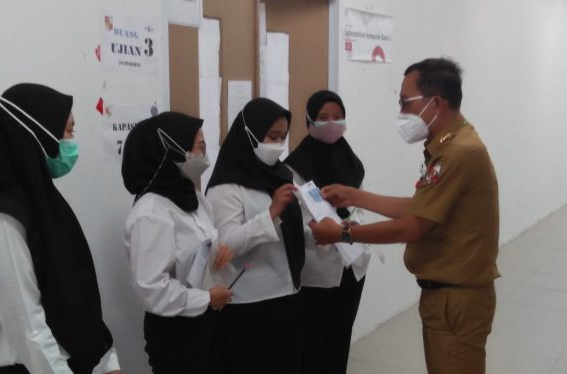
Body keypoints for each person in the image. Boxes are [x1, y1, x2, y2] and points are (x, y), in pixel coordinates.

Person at [309, 58, 499, 374]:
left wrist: (343, 233)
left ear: (436, 102)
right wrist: (355, 196)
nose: (401, 114)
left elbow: (413, 226)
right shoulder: (451, 145)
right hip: (448, 296)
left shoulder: (458, 153)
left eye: (405, 103)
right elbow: (421, 207)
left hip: (456, 298)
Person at [0, 83, 120, 374]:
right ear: (37, 136)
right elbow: (25, 324)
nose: (71, 143)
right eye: (67, 132)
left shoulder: (46, 205)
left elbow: (78, 295)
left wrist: (106, 359)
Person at [121, 112, 233, 374]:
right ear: (170, 150)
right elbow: (151, 287)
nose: (203, 154)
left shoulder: (192, 196)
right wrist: (204, 299)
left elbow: (201, 247)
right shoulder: (150, 212)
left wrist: (220, 252)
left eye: (204, 146)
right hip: (176, 331)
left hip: (208, 319)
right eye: (198, 146)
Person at [206, 98, 305, 374]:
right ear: (249, 133)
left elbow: (292, 230)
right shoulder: (226, 187)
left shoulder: (280, 175)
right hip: (250, 304)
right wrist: (271, 212)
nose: (278, 144)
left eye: (283, 137)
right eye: (272, 136)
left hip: (288, 294)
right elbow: (226, 244)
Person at [284, 90, 370, 374]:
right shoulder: (295, 168)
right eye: (322, 118)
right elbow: (297, 224)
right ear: (309, 121)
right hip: (317, 271)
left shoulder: (351, 161)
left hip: (352, 264)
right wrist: (328, 232)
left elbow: (357, 206)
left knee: (340, 339)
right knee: (313, 345)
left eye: (337, 117)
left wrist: (350, 229)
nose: (331, 123)